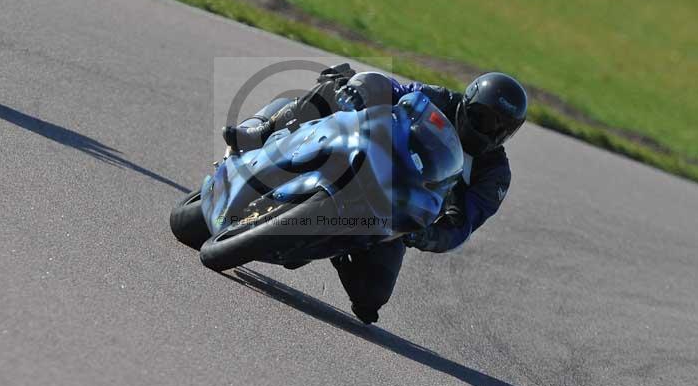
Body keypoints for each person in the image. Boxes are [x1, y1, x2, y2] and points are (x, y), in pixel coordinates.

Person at [223, 64, 528, 324]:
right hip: (362, 156)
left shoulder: (494, 175)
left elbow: (463, 225)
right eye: (483, 119)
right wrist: (359, 89)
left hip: (394, 213)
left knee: (370, 300)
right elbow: (391, 89)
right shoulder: (437, 98)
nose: (489, 132)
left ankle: (336, 249)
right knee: (335, 85)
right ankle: (263, 130)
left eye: (501, 129)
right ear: (468, 102)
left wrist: (426, 236)